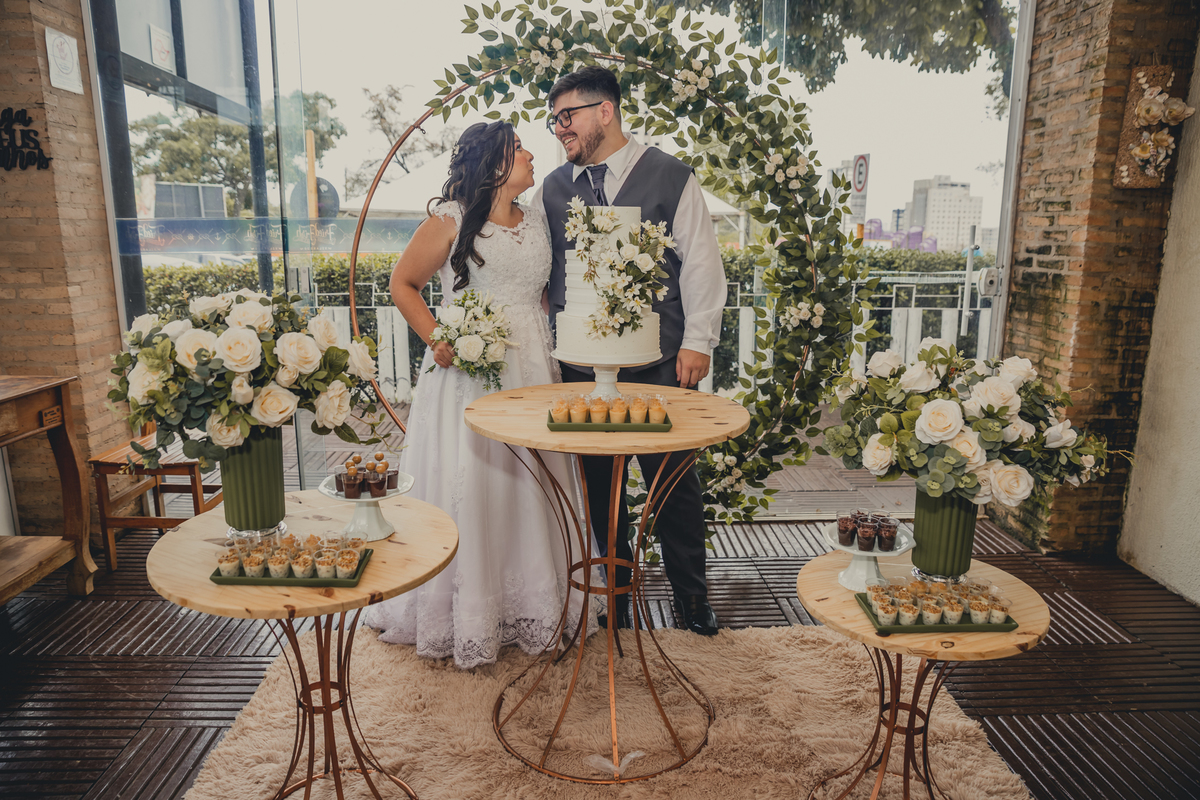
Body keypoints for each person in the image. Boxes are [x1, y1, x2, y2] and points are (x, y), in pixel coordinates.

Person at [364, 121, 596, 668]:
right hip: (471, 370)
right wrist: (439, 338)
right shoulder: (449, 219)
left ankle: (533, 604)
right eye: (519, 149)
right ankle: (463, 612)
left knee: (533, 479)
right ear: (494, 162)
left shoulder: (537, 217)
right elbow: (403, 283)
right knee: (475, 479)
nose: (531, 155)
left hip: (534, 366)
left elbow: (544, 294)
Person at [536, 66, 727, 635]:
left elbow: (700, 261)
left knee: (673, 485)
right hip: (579, 368)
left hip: (661, 361)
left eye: (567, 116)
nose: (559, 129)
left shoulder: (670, 176)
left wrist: (698, 341)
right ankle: (615, 594)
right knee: (600, 489)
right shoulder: (553, 187)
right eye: (554, 120)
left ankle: (692, 597)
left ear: (605, 110)